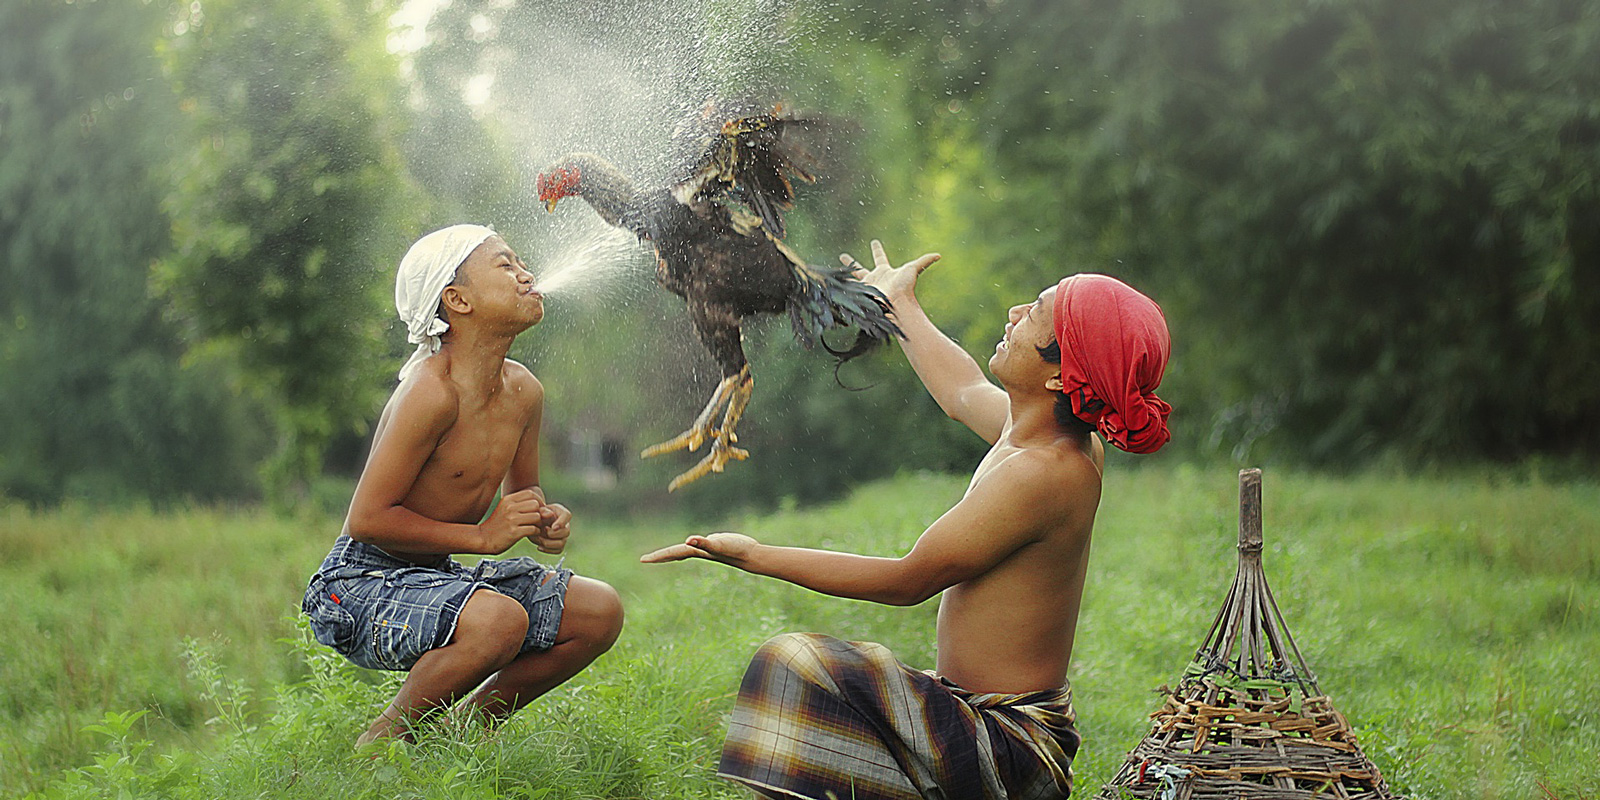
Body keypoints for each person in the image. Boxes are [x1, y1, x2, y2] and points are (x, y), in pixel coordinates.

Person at [642, 240, 1172, 799]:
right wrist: (896, 302)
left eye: (1033, 315)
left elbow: (907, 580)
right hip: (977, 718)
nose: (1014, 315)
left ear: (1062, 379)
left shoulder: (1045, 472)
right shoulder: (1039, 436)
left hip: (1008, 747)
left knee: (796, 663)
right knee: (828, 706)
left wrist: (753, 555)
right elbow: (961, 389)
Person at [301, 224, 624, 747]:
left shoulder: (523, 391)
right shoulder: (431, 392)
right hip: (359, 583)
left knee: (599, 611)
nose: (527, 276)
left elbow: (524, 499)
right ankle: (383, 741)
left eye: (521, 264)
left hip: (438, 574)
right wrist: (482, 538)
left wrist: (544, 522)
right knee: (500, 621)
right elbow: (366, 520)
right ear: (457, 300)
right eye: (506, 266)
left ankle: (465, 731)